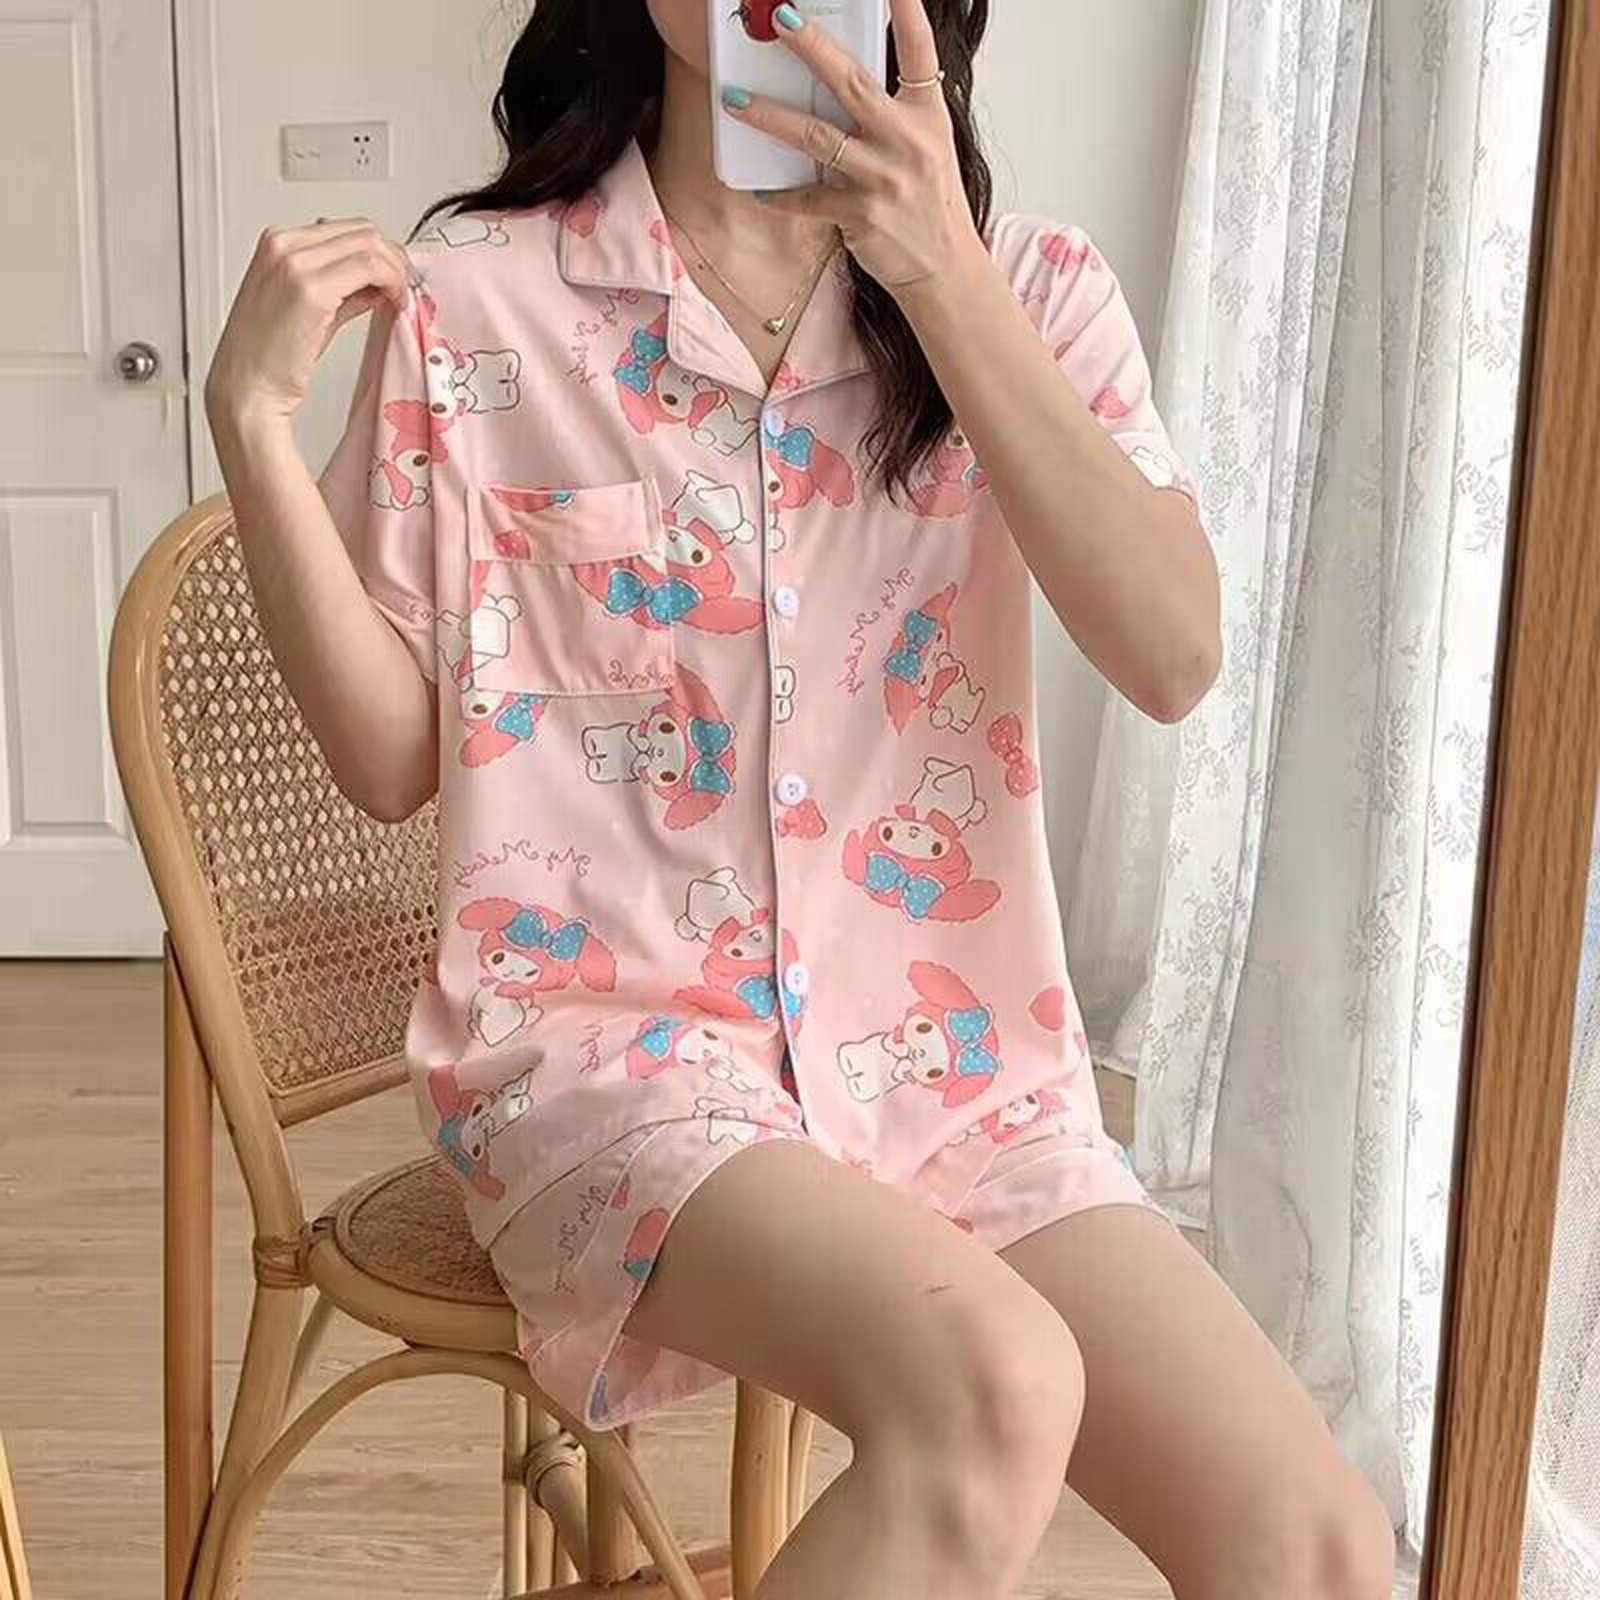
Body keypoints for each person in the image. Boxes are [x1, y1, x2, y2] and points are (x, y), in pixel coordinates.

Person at [202, 2, 1395, 1595]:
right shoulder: (479, 302)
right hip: (610, 1055)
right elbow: (387, 757)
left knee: (1318, 1545)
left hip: (959, 1072)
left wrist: (942, 280)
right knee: (996, 1387)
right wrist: (251, 429)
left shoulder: (1030, 291)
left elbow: (1174, 655)